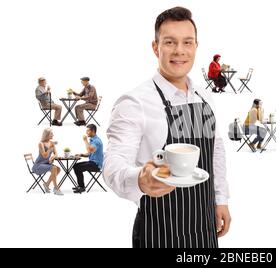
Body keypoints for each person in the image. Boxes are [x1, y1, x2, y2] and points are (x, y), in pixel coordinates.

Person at [103, 6, 231, 248]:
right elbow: (113, 164)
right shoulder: (134, 102)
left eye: (187, 42)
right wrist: (140, 180)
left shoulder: (204, 96)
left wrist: (221, 199)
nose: (179, 51)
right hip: (159, 232)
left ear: (195, 46)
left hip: (204, 228)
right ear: (156, 47)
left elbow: (216, 151)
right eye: (170, 42)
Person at [72, 124, 103, 193]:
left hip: (96, 165)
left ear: (93, 131)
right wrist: (81, 154)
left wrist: (85, 140)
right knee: (75, 166)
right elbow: (90, 153)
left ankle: (82, 187)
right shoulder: (92, 140)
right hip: (92, 162)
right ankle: (80, 186)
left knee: (77, 167)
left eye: (88, 131)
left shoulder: (96, 141)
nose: (86, 132)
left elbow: (90, 150)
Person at [32, 128, 63, 195]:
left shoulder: (51, 143)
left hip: (46, 164)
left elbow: (56, 154)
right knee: (54, 168)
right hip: (38, 165)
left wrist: (52, 157)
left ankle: (46, 184)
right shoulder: (41, 144)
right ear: (47, 135)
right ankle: (56, 188)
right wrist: (49, 148)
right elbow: (45, 156)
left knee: (58, 169)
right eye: (51, 134)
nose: (53, 135)